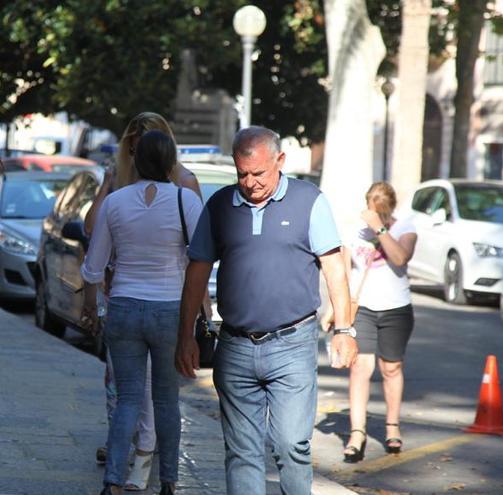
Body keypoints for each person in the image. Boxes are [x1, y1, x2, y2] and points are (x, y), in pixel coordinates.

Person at [175, 126, 358, 495]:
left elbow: (335, 267)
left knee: (292, 446)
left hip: (293, 344)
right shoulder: (221, 206)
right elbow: (196, 274)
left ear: (280, 161)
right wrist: (186, 337)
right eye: (241, 173)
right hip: (236, 346)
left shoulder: (310, 201)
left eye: (258, 173)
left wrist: (344, 330)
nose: (249, 183)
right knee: (242, 452)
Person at [83, 112, 206, 491]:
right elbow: (200, 260)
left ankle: (114, 481)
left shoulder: (116, 202)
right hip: (169, 311)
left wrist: (91, 305)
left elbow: (94, 264)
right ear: (170, 163)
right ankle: (168, 481)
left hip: (123, 308)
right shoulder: (186, 200)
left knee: (128, 401)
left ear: (135, 159)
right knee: (167, 401)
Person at [329, 182, 417, 463]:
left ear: (389, 209)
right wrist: (335, 309)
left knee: (391, 368)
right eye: (370, 206)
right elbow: (341, 270)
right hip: (363, 308)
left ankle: (393, 427)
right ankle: (357, 433)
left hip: (396, 308)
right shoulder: (353, 231)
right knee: (360, 368)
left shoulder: (405, 227)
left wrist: (380, 228)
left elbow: (401, 258)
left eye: (379, 208)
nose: (372, 212)